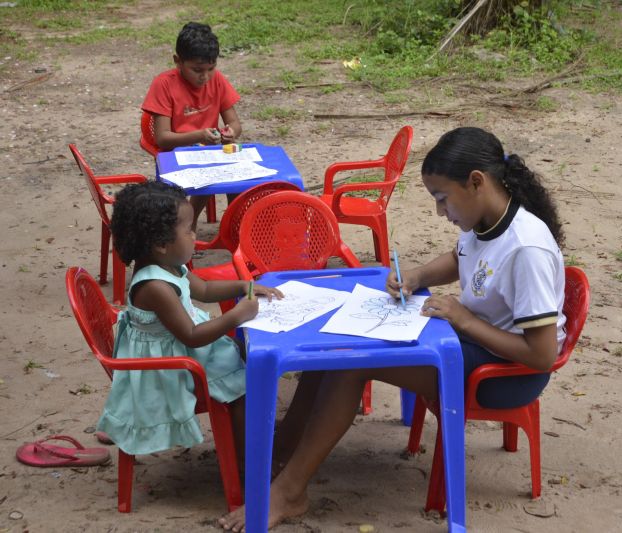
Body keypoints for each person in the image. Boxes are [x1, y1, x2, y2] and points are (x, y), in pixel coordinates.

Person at [218, 126, 566, 531]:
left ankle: (290, 491)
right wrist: (417, 276)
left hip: (505, 373)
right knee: (334, 343)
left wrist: (464, 319)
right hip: (468, 340)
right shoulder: (485, 219)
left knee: (352, 363)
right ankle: (287, 447)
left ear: (476, 182)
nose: (440, 212)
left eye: (442, 198)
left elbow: (542, 355)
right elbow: (459, 257)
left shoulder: (527, 249)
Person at [96, 181, 282, 475]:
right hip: (165, 369)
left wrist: (245, 286)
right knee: (243, 385)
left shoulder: (170, 265)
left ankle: (255, 442)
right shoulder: (154, 286)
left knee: (246, 357)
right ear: (161, 243)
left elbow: (205, 289)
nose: (195, 236)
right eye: (189, 230)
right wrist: (236, 316)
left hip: (180, 347)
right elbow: (192, 337)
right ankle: (250, 470)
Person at [141, 21, 242, 229]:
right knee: (208, 174)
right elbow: (163, 138)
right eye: (197, 70)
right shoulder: (164, 84)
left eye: (211, 69)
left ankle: (235, 231)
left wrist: (231, 132)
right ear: (178, 61)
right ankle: (188, 225)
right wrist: (199, 136)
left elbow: (234, 122)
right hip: (175, 155)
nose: (205, 77)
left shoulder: (217, 81)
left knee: (239, 181)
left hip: (208, 151)